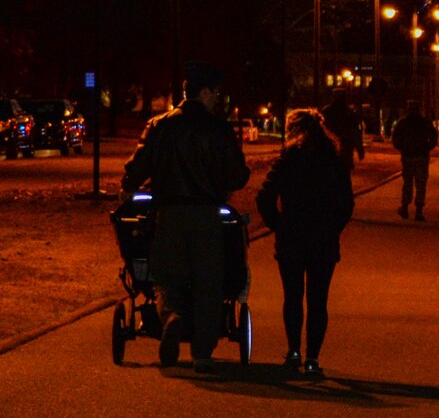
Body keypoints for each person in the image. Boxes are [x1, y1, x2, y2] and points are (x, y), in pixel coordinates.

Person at [121, 62, 250, 372]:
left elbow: (138, 166)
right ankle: (202, 353)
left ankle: (173, 316)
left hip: (169, 212)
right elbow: (237, 175)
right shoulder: (219, 129)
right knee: (209, 282)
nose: (218, 98)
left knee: (166, 276)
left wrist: (129, 188)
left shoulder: (160, 125)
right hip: (207, 214)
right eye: (215, 92)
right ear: (203, 92)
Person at [254, 108, 354, 379]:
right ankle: (313, 358)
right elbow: (346, 202)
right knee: (318, 300)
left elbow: (264, 196)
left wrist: (278, 224)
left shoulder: (289, 158)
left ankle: (293, 351)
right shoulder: (333, 159)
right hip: (323, 236)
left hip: (293, 236)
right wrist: (334, 227)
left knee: (293, 297)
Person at [390, 102, 439, 221]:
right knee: (421, 183)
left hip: (408, 156)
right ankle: (419, 210)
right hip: (421, 156)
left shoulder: (403, 123)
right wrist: (428, 147)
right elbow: (434, 137)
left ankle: (405, 207)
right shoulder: (425, 122)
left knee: (408, 182)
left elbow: (395, 138)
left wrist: (402, 147)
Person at [320, 88, 366, 169]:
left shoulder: (327, 111)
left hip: (330, 146)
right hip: (345, 146)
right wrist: (359, 148)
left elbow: (321, 129)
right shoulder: (349, 113)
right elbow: (355, 132)